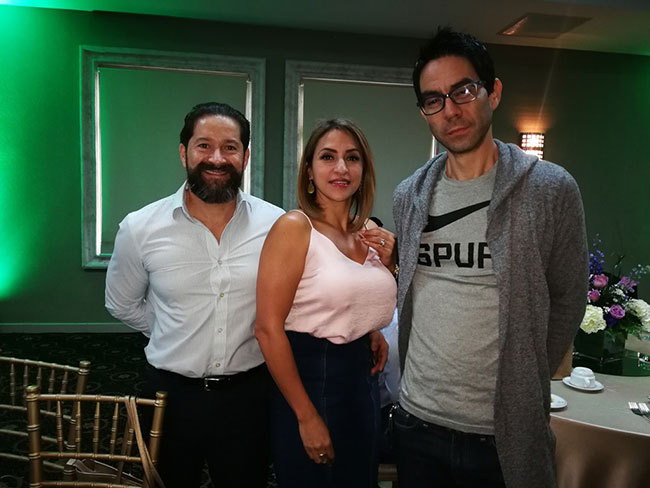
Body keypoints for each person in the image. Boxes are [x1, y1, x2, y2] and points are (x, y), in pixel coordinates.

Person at [392, 28, 588, 488]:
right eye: (434, 100)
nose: (450, 110)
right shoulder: (409, 196)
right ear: (424, 112)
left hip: (504, 435)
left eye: (463, 90)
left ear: (493, 92)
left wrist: (526, 373)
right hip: (417, 423)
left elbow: (569, 298)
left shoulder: (550, 189)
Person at [105, 102, 284, 488]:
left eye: (230, 147)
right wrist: (172, 329)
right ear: (183, 152)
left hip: (249, 396)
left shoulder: (277, 225)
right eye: (204, 145)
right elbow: (121, 303)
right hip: (168, 397)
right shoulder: (140, 228)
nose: (216, 158)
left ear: (245, 157)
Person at [255, 119, 398, 488]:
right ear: (309, 170)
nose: (341, 168)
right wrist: (306, 416)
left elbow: (353, 297)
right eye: (328, 157)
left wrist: (371, 330)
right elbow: (267, 328)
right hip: (311, 383)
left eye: (352, 158)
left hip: (363, 385)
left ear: (364, 170)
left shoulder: (367, 232)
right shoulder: (295, 227)